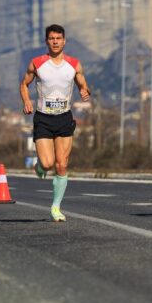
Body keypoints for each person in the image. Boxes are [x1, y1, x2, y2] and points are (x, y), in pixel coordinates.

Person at [20, 24, 90, 222]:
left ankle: (56, 207)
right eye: (51, 38)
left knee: (62, 164)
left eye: (59, 38)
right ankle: (41, 167)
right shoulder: (37, 63)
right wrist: (26, 100)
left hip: (64, 118)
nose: (55, 41)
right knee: (48, 163)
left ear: (64, 41)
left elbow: (83, 84)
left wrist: (85, 91)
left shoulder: (74, 64)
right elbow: (24, 84)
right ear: (47, 41)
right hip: (43, 118)